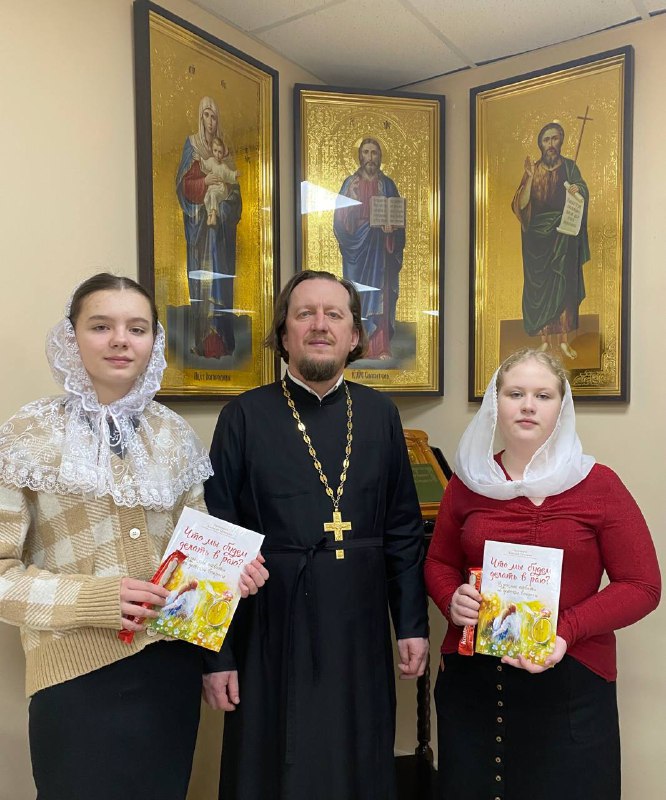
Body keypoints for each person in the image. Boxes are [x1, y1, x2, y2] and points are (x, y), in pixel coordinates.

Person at [0, 273, 267, 800]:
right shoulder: (26, 435)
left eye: (137, 328)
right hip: (72, 676)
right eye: (101, 326)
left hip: (169, 672)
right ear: (72, 336)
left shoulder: (174, 435)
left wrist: (229, 576)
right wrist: (98, 599)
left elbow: (195, 556)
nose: (121, 340)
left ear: (154, 342)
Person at [203, 270, 429, 800]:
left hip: (359, 627)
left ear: (355, 335)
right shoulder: (242, 416)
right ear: (284, 334)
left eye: (334, 314)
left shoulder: (380, 415)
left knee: (357, 758)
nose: (319, 325)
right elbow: (214, 541)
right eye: (305, 314)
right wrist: (218, 657)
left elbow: (402, 529)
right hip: (269, 628)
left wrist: (411, 624)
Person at [425, 348, 660, 800]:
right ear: (496, 404)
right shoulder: (467, 482)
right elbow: (439, 563)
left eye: (543, 395)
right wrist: (450, 598)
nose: (528, 406)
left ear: (561, 407)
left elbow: (643, 585)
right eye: (515, 394)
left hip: (570, 681)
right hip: (473, 682)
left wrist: (565, 631)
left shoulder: (599, 485)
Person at [511, 123, 590, 359]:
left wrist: (577, 190)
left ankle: (564, 340)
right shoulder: (533, 170)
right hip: (537, 241)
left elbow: (582, 192)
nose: (551, 144)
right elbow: (521, 205)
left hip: (564, 236)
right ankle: (544, 340)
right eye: (546, 140)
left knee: (564, 285)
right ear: (541, 144)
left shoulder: (570, 167)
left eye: (555, 139)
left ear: (561, 141)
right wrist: (528, 178)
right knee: (541, 288)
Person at [177, 96, 242, 357]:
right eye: (206, 115)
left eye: (214, 116)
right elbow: (184, 186)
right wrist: (204, 182)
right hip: (200, 233)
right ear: (200, 117)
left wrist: (224, 204)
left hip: (221, 237)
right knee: (202, 285)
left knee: (221, 283)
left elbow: (236, 196)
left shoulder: (224, 153)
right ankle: (203, 341)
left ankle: (223, 341)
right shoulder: (192, 147)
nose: (211, 121)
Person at [334, 137, 406, 360]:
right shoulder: (350, 184)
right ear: (360, 155)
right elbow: (339, 221)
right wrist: (352, 204)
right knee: (357, 295)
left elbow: (397, 218)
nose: (370, 157)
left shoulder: (388, 185)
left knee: (380, 293)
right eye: (366, 152)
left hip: (380, 249)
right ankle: (356, 347)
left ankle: (381, 347)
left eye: (374, 153)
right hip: (356, 249)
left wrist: (391, 230)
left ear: (380, 157)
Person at [201, 136, 240, 227]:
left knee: (213, 195)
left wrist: (235, 174)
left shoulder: (223, 166)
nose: (217, 154)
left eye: (220, 152)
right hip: (212, 188)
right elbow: (205, 165)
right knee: (206, 199)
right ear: (212, 150)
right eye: (215, 151)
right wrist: (201, 160)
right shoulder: (211, 161)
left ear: (223, 154)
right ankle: (209, 215)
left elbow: (229, 175)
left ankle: (214, 215)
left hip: (221, 189)